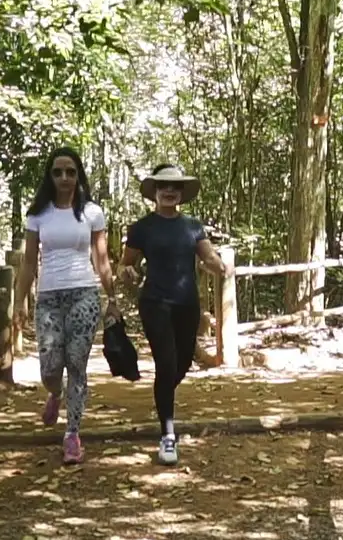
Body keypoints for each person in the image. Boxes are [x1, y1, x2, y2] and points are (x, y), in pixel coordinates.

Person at [13, 147, 118, 464]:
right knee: (49, 366)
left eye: (70, 172)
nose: (64, 178)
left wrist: (111, 299)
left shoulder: (91, 213)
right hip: (49, 296)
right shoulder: (38, 215)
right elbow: (29, 262)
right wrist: (19, 302)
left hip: (84, 293)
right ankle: (54, 393)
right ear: (50, 176)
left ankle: (72, 433)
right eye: (58, 172)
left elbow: (101, 259)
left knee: (76, 363)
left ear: (78, 175)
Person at [119, 164, 226, 465]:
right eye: (163, 186)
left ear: (181, 193)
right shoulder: (141, 228)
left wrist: (217, 263)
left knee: (180, 365)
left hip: (187, 303)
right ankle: (168, 435)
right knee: (166, 363)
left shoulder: (192, 226)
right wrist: (127, 272)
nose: (169, 191)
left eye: (175, 187)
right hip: (155, 302)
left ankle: (163, 395)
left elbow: (207, 254)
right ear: (154, 192)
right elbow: (125, 264)